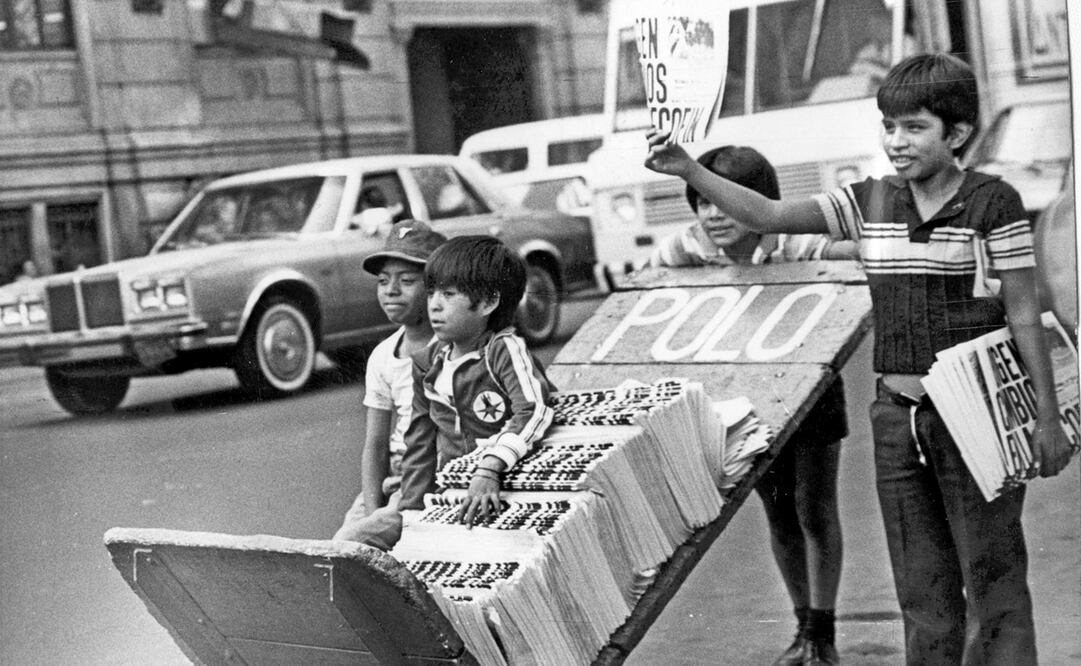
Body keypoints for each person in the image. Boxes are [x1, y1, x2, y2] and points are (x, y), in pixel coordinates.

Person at [644, 53, 1073, 665]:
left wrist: (1047, 420)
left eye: (914, 128)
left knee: (993, 580)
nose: (896, 141)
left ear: (957, 134)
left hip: (977, 417)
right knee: (921, 592)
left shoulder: (993, 203)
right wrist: (688, 168)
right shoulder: (866, 201)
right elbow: (767, 215)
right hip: (896, 420)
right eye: (889, 126)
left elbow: (1024, 314)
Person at [649, 145, 851, 666]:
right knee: (778, 512)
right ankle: (802, 628)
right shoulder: (683, 249)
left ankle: (822, 632)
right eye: (702, 202)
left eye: (725, 201)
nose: (713, 215)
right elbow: (647, 292)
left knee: (814, 507)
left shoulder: (794, 243)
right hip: (747, 400)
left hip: (811, 390)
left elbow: (852, 260)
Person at [397, 235, 556, 526]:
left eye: (448, 294)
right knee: (368, 537)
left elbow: (534, 409)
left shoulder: (503, 350)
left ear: (488, 302)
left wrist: (490, 468)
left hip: (505, 486)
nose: (434, 305)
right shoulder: (427, 363)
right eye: (431, 293)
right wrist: (411, 513)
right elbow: (420, 444)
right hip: (451, 494)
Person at [332, 219, 447, 542]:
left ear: (437, 288)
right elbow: (376, 443)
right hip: (392, 474)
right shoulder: (383, 356)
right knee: (339, 547)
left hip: (428, 473)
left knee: (349, 545)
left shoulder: (451, 348)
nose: (391, 290)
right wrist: (373, 510)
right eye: (383, 281)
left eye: (407, 280)